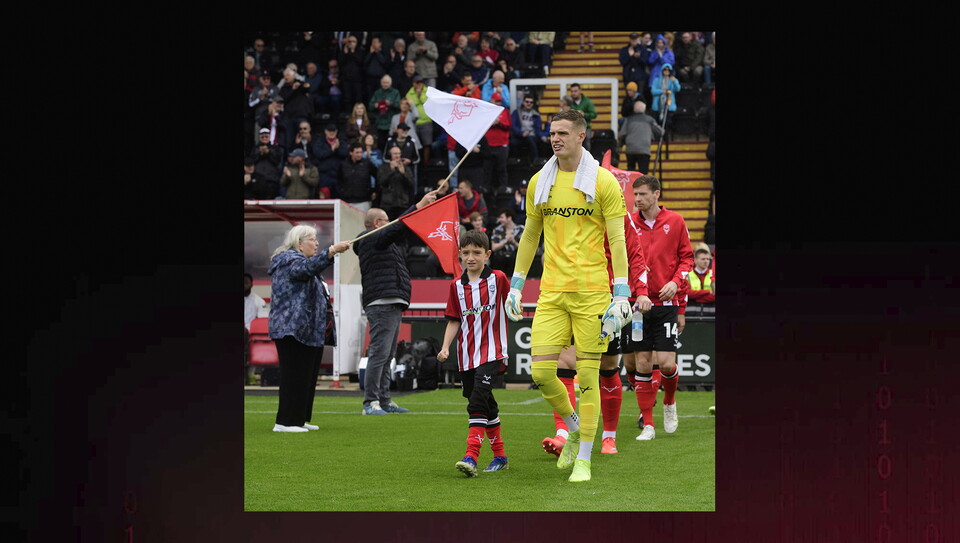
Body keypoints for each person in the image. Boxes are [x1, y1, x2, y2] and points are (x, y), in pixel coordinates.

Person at [504, 108, 634, 482]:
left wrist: (621, 290)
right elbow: (530, 235)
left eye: (562, 133)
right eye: (551, 133)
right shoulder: (538, 182)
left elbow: (616, 238)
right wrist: (516, 282)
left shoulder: (605, 183)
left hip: (593, 293)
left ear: (581, 136)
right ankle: (576, 430)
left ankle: (585, 458)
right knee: (542, 372)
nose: (555, 138)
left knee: (588, 378)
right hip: (552, 291)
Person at [541, 204, 652, 456]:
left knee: (607, 367)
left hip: (607, 299)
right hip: (570, 293)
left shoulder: (617, 213)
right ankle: (564, 433)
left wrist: (641, 292)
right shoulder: (566, 206)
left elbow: (635, 254)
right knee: (564, 364)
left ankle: (609, 437)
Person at [353, 190, 439, 415]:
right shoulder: (369, 238)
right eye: (385, 220)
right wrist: (418, 205)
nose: (389, 223)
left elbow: (398, 229)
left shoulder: (385, 242)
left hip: (391, 300)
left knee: (388, 354)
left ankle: (384, 400)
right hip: (381, 301)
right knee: (379, 353)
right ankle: (369, 402)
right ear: (376, 223)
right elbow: (398, 227)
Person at [438, 229, 510, 476]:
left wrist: (516, 306)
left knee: (478, 399)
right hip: (466, 355)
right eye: (466, 253)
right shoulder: (456, 285)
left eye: (476, 253)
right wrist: (446, 346)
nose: (471, 257)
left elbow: (513, 301)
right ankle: (500, 456)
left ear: (487, 254)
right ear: (459, 255)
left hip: (493, 351)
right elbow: (453, 319)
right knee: (483, 403)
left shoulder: (499, 278)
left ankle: (471, 456)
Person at [267, 225, 351, 432]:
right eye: (312, 240)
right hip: (292, 328)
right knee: (294, 375)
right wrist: (331, 251)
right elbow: (306, 269)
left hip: (309, 330)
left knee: (307, 375)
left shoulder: (303, 263)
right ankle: (285, 422)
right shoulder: (288, 261)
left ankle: (299, 418)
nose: (316, 243)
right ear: (299, 243)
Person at [629, 174, 694, 441]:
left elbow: (687, 259)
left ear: (657, 194)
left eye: (642, 194)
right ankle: (648, 424)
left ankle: (668, 401)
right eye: (635, 195)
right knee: (641, 364)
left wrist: (677, 284)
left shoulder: (676, 221)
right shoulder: (629, 223)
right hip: (638, 306)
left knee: (666, 365)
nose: (637, 199)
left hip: (666, 303)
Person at [619, 100, 663, 174]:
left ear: (634, 109)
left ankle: (631, 184)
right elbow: (660, 131)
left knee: (630, 170)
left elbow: (622, 134)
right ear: (644, 109)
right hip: (644, 149)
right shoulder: (649, 120)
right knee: (643, 172)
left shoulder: (629, 120)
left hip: (630, 149)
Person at [376, 145, 414, 220]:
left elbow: (411, 184)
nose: (397, 156)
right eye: (395, 154)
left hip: (402, 203)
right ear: (390, 155)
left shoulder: (406, 168)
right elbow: (381, 182)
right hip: (387, 204)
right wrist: (391, 171)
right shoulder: (383, 168)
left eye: (399, 154)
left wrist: (403, 174)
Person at [484, 92, 511, 193]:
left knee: (502, 168)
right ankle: (487, 189)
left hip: (502, 144)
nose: (498, 103)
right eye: (496, 101)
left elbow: (508, 126)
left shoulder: (505, 111)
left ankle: (503, 187)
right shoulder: (486, 111)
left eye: (499, 101)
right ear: (491, 100)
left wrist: (499, 123)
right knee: (488, 169)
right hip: (489, 144)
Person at [244, 272, 269, 385]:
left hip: (250, 334)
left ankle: (250, 375)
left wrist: (249, 329)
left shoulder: (258, 301)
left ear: (251, 284)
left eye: (246, 283)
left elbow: (263, 320)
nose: (244, 285)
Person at [312, 123, 348, 199]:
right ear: (325, 131)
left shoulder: (341, 142)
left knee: (337, 197)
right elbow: (319, 154)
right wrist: (332, 149)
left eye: (333, 131)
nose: (331, 133)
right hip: (324, 174)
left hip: (338, 174)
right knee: (324, 196)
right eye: (329, 131)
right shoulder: (320, 142)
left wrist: (336, 148)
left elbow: (344, 154)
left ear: (336, 132)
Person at [338, 142, 377, 211]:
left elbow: (377, 176)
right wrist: (341, 192)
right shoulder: (343, 165)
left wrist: (374, 190)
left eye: (361, 152)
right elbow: (338, 179)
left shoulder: (367, 164)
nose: (359, 155)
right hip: (347, 200)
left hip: (364, 200)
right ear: (351, 153)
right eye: (357, 152)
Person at [405, 75, 434, 164]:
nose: (419, 85)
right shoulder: (409, 94)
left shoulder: (428, 91)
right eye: (417, 83)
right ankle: (416, 162)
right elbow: (410, 107)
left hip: (426, 121)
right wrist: (417, 96)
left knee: (427, 144)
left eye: (421, 82)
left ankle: (426, 163)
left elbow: (426, 102)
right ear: (413, 83)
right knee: (414, 144)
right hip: (414, 123)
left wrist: (420, 95)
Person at [511, 94, 547, 163]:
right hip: (520, 136)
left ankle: (536, 161)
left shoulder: (536, 114)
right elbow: (513, 126)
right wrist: (521, 133)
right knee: (512, 142)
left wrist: (543, 136)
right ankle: (517, 162)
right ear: (523, 102)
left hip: (532, 136)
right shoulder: (517, 112)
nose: (529, 104)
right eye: (527, 102)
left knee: (530, 139)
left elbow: (538, 128)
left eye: (531, 102)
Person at [248, 128, 282, 199]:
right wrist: (260, 153)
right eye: (262, 137)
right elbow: (251, 161)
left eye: (266, 137)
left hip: (271, 180)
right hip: (258, 181)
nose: (264, 138)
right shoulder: (254, 149)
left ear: (269, 137)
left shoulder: (275, 148)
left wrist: (268, 152)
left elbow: (277, 161)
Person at [368, 74, 401, 147]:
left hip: (391, 122)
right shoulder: (377, 93)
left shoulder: (395, 92)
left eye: (387, 82)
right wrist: (375, 105)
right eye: (384, 82)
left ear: (390, 83)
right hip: (380, 122)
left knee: (391, 143)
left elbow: (399, 105)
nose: (385, 84)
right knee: (381, 143)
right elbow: (370, 106)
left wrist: (390, 103)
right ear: (381, 83)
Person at [489, 208, 524, 276]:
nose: (500, 220)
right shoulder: (497, 230)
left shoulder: (521, 229)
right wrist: (505, 241)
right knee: (499, 258)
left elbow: (524, 249)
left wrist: (513, 241)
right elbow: (494, 248)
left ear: (509, 218)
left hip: (515, 257)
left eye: (502, 217)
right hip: (500, 257)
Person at [337, 34, 364, 114]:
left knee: (358, 97)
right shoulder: (343, 52)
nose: (351, 43)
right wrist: (345, 54)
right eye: (349, 41)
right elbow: (340, 63)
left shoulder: (360, 51)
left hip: (357, 79)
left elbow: (361, 62)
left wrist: (352, 52)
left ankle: (358, 114)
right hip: (346, 79)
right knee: (347, 97)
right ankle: (348, 114)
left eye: (353, 41)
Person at [567, 83, 597, 151]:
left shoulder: (587, 102)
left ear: (580, 90)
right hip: (572, 128)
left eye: (575, 91)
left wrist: (584, 114)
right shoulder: (569, 102)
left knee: (586, 145)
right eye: (572, 91)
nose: (573, 93)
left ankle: (586, 160)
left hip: (586, 127)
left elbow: (594, 114)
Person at [363, 36, 389, 103]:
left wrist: (377, 52)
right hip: (370, 78)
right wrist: (370, 53)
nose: (373, 44)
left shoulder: (384, 52)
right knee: (370, 95)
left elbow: (384, 62)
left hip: (380, 78)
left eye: (375, 42)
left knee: (379, 95)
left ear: (380, 44)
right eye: (372, 42)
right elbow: (365, 62)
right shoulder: (368, 52)